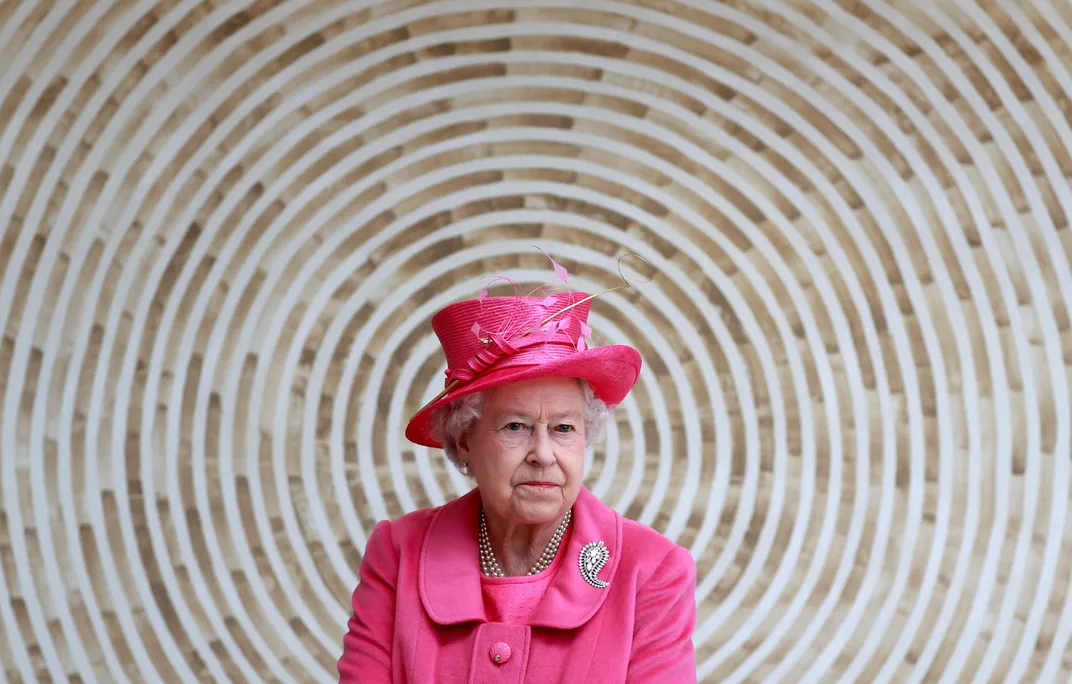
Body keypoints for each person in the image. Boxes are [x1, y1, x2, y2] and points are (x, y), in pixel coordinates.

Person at [337, 282, 697, 683]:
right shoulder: (398, 552)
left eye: (563, 428)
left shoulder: (650, 568)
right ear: (463, 441)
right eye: (516, 426)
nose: (543, 454)